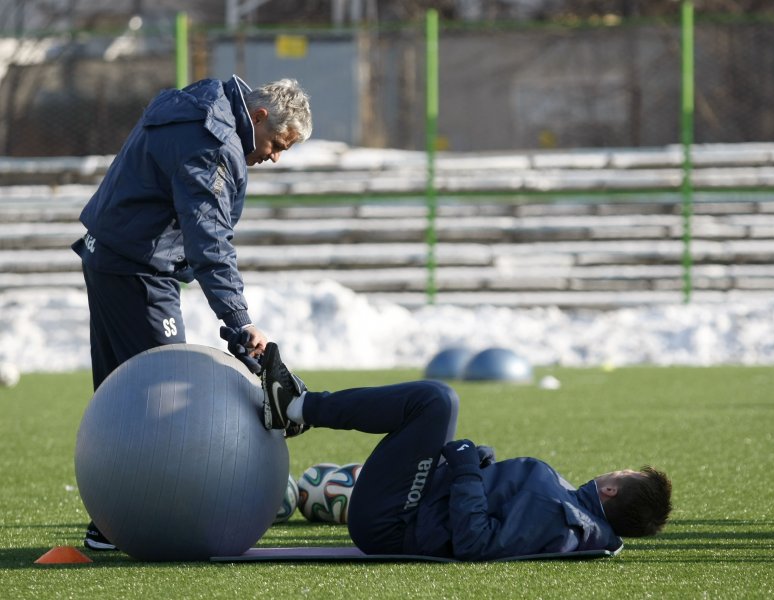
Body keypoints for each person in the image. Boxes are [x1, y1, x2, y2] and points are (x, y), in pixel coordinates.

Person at [73, 76, 312, 550]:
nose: (274, 157)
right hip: (136, 266)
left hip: (113, 252)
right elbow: (209, 243)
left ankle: (114, 513)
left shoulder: (203, 100)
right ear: (259, 118)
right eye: (275, 144)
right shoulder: (213, 142)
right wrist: (240, 322)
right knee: (165, 399)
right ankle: (122, 521)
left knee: (123, 388)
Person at [259, 343, 672, 560]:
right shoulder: (569, 509)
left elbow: (477, 542)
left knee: (436, 401)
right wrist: (479, 464)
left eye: (622, 473)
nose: (614, 471)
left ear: (612, 492)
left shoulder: (563, 518)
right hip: (415, 508)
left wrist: (465, 469)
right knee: (437, 403)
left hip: (395, 524)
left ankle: (297, 408)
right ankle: (300, 409)